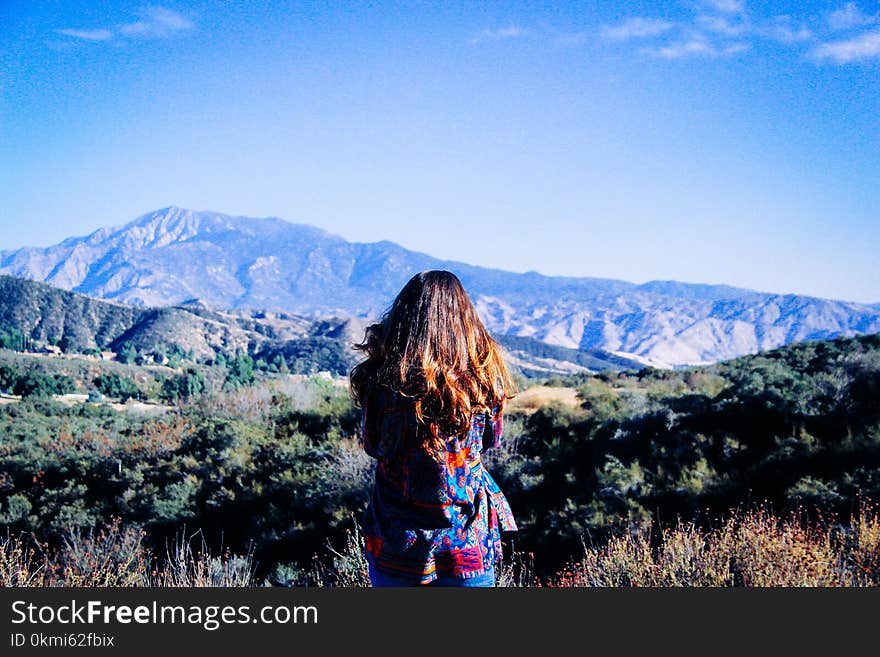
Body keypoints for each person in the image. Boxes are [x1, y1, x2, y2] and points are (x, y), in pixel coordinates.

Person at [349, 270, 518, 587]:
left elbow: (373, 446)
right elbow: (492, 440)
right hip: (466, 537)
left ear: (403, 319)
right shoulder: (483, 384)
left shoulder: (381, 382)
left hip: (396, 539)